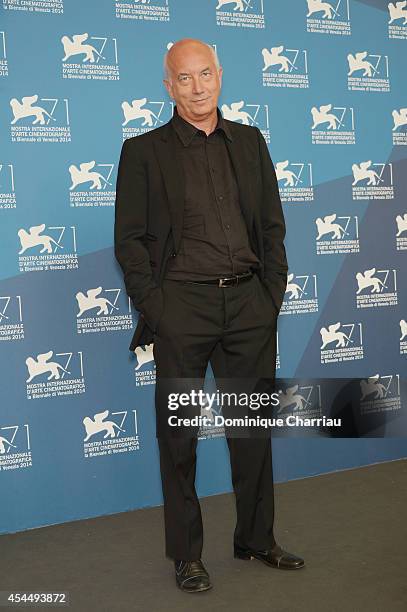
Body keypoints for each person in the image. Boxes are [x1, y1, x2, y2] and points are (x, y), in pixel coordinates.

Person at [114, 38, 305, 593]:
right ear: (168, 87)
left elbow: (272, 226)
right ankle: (187, 554)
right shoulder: (143, 152)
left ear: (220, 76)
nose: (197, 88)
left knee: (252, 432)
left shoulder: (249, 142)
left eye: (205, 75)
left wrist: (270, 296)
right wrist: (160, 309)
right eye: (184, 78)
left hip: (249, 303)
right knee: (179, 436)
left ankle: (255, 538)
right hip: (182, 309)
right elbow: (129, 242)